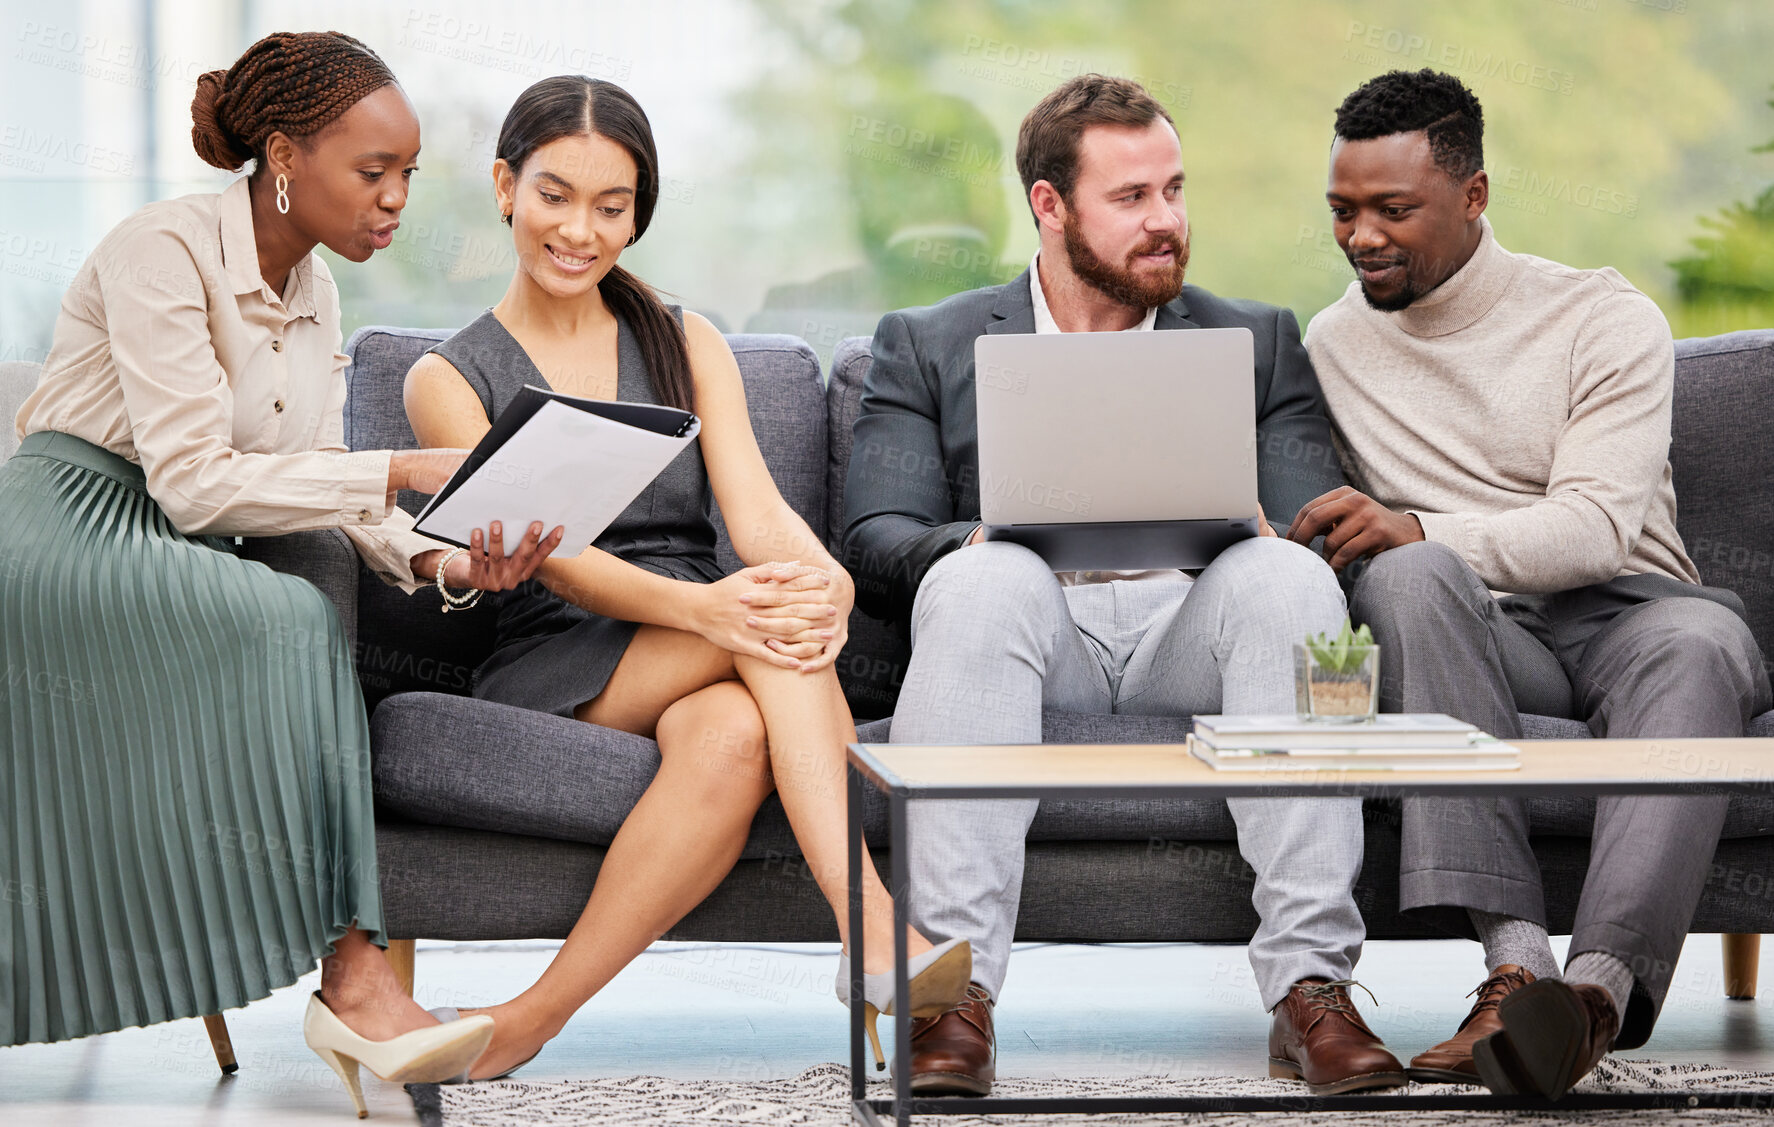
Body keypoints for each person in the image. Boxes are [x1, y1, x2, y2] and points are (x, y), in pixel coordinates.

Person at [0, 32, 559, 1118]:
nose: (395, 199)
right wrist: (400, 463)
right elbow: (202, 483)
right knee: (287, 618)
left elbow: (311, 484)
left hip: (174, 541)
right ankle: (355, 974)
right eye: (371, 172)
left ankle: (352, 975)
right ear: (284, 157)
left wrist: (448, 563)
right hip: (66, 533)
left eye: (407, 175)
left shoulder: (314, 293)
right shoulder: (160, 249)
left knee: (296, 599)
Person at [842, 74, 1406, 1097]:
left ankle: (1312, 986)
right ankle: (948, 996)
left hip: (1185, 630)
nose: (1167, 222)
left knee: (1283, 577)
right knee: (981, 582)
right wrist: (990, 540)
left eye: (1174, 190)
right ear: (1049, 206)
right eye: (1133, 198)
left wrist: (1242, 519)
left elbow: (1305, 526)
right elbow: (874, 538)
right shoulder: (927, 342)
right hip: (1025, 632)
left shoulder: (1257, 339)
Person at [402, 75, 970, 1082]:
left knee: (736, 728)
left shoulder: (683, 336)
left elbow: (755, 515)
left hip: (703, 634)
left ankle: (529, 1016)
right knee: (761, 622)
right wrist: (720, 609)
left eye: (611, 208)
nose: (580, 230)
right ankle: (874, 923)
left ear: (637, 213)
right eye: (555, 196)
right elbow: (561, 564)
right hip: (559, 647)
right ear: (504, 187)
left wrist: (821, 577)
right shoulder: (447, 378)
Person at [1292, 68, 1772, 1098]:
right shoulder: (1327, 345)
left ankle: (1590, 1000)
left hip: (1627, 612)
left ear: (1473, 197)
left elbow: (1595, 530)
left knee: (1700, 645)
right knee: (1407, 577)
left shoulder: (1599, 316)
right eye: (1342, 210)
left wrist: (1419, 522)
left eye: (1392, 209)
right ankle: (1517, 973)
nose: (1361, 236)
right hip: (1473, 636)